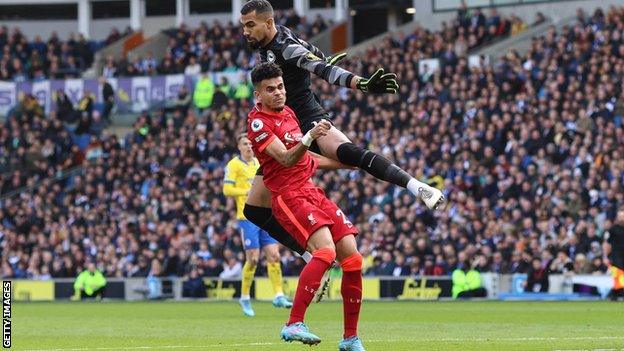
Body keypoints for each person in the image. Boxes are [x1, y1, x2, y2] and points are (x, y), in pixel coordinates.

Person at [239, 0, 445, 261]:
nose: (245, 31)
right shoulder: (278, 37)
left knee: (349, 154)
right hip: (285, 128)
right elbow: (313, 53)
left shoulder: (285, 47)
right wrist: (319, 58)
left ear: (268, 23)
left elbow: (323, 69)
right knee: (254, 210)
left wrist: (361, 83)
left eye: (250, 25)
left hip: (305, 121)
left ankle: (417, 187)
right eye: (244, 25)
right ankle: (306, 255)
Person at [247, 62, 366, 350]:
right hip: (289, 196)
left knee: (353, 259)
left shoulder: (288, 113)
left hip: (312, 191)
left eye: (281, 87)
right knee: (325, 252)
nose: (278, 93)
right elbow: (287, 159)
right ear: (257, 95)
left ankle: (350, 338)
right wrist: (310, 137)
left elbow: (306, 160)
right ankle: (293, 323)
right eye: (270, 89)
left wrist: (347, 163)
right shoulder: (258, 123)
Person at [223, 135, 293, 317]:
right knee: (253, 259)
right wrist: (248, 191)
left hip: (266, 215)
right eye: (245, 144)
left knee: (274, 255)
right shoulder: (234, 165)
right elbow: (227, 189)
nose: (248, 146)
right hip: (247, 218)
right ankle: (244, 297)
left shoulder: (258, 163)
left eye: (250, 143)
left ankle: (278, 294)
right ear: (239, 146)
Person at [603, 209, 624, 301]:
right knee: (619, 274)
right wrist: (605, 256)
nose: (621, 218)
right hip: (616, 256)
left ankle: (615, 293)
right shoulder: (613, 229)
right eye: (620, 216)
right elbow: (607, 244)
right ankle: (615, 293)